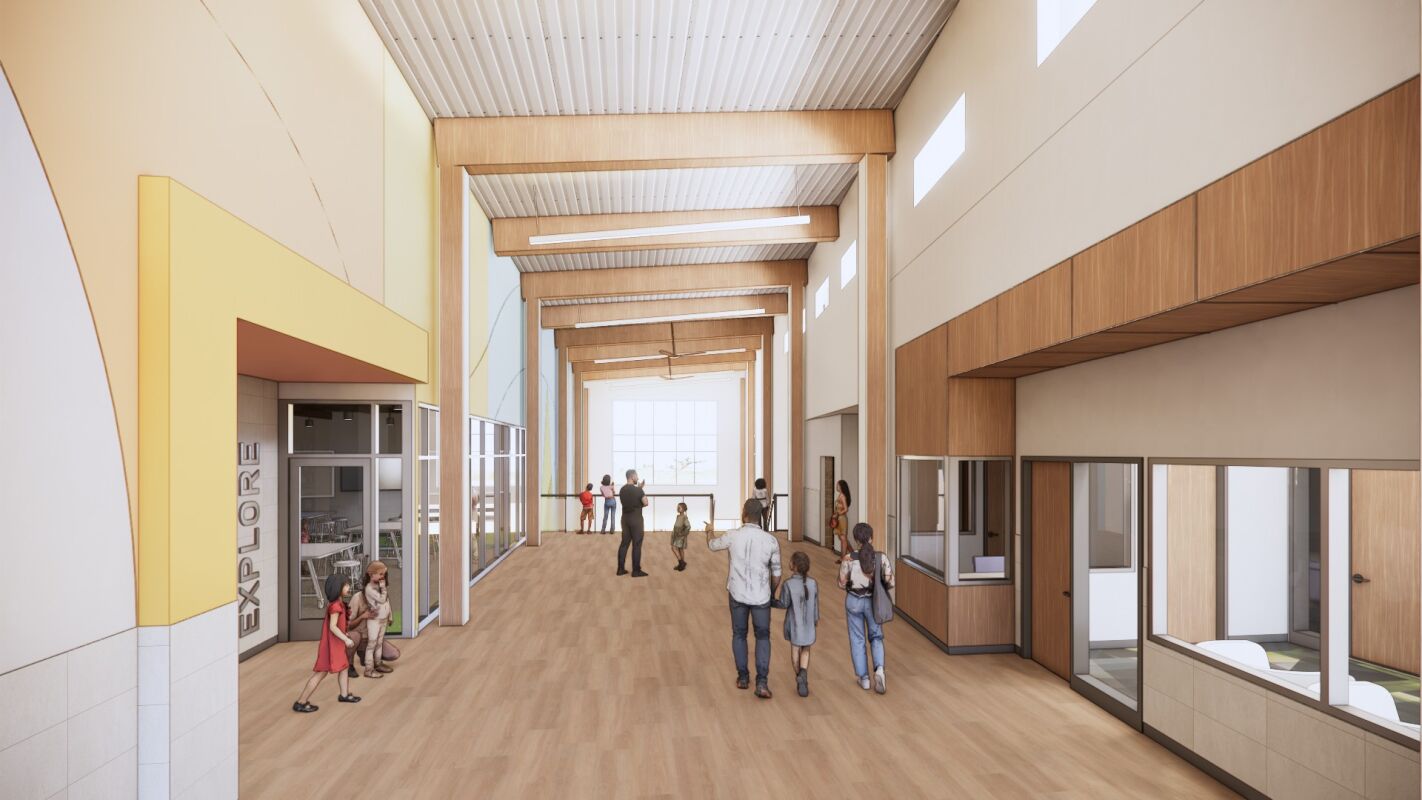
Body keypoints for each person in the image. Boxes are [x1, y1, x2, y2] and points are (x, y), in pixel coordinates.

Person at [708, 498, 782, 698]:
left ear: (744, 514)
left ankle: (742, 677)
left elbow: (712, 545)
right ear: (761, 516)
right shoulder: (771, 541)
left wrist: (709, 531)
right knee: (763, 636)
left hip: (737, 594)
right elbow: (777, 574)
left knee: (739, 634)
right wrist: (772, 593)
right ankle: (762, 682)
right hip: (762, 597)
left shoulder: (733, 536)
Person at [292, 574, 361, 712]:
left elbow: (337, 626)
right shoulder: (335, 606)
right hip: (332, 645)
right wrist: (345, 639)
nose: (348, 587)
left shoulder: (338, 604)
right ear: (338, 588)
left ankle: (344, 694)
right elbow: (333, 627)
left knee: (344, 667)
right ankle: (301, 701)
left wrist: (344, 635)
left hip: (335, 643)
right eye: (345, 585)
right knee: (321, 673)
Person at [839, 522, 893, 694]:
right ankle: (879, 670)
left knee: (857, 639)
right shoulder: (880, 558)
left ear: (856, 540)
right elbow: (890, 582)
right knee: (876, 636)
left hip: (854, 601)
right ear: (871, 538)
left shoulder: (848, 559)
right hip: (873, 602)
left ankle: (864, 679)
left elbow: (841, 583)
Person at [774, 550, 819, 697]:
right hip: (809, 624)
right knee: (806, 649)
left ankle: (800, 679)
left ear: (794, 566)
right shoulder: (813, 583)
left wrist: (771, 602)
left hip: (795, 625)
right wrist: (815, 621)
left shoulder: (788, 584)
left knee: (795, 651)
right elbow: (816, 606)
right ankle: (804, 673)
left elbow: (783, 604)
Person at [362, 561, 395, 678]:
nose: (382, 577)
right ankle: (369, 669)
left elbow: (387, 602)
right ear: (371, 574)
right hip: (374, 620)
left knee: (379, 643)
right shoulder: (369, 589)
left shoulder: (380, 587)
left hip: (383, 619)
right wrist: (383, 588)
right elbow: (381, 600)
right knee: (372, 644)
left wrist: (390, 616)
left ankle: (378, 663)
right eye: (380, 574)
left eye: (383, 574)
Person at [617, 469, 649, 577]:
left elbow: (629, 499)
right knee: (637, 544)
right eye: (637, 476)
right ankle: (636, 571)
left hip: (625, 519)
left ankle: (620, 569)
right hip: (636, 519)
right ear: (632, 476)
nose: (638, 478)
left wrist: (639, 488)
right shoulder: (638, 491)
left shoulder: (622, 490)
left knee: (624, 544)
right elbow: (645, 503)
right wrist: (640, 490)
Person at [831, 479, 852, 554]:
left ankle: (843, 558)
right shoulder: (840, 495)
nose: (837, 486)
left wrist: (838, 514)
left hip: (842, 519)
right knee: (842, 538)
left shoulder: (842, 496)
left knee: (843, 538)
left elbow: (846, 509)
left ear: (841, 487)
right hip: (838, 519)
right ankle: (852, 553)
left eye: (838, 485)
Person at [670, 501, 691, 571]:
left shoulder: (684, 517)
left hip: (680, 536)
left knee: (673, 548)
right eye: (677, 507)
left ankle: (681, 562)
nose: (678, 508)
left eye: (679, 507)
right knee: (680, 549)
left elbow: (688, 526)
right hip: (676, 535)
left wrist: (682, 533)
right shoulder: (678, 516)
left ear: (683, 509)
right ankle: (681, 565)